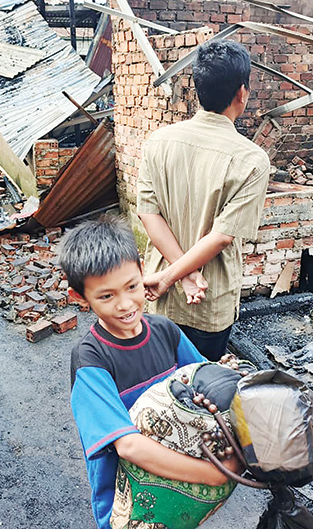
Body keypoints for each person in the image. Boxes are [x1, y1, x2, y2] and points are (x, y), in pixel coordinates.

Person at [60, 216, 242, 529]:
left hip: (182, 496)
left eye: (132, 286)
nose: (125, 304)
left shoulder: (166, 331)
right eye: (106, 296)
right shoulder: (91, 360)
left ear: (142, 271)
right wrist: (214, 474)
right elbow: (128, 445)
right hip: (132, 507)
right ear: (81, 298)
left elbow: (205, 381)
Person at [136, 39, 271, 361]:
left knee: (157, 380)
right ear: (242, 92)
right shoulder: (251, 159)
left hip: (158, 296)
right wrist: (178, 278)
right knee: (198, 387)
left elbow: (148, 214)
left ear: (197, 88)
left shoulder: (158, 142)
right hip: (208, 301)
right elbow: (222, 237)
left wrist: (174, 276)